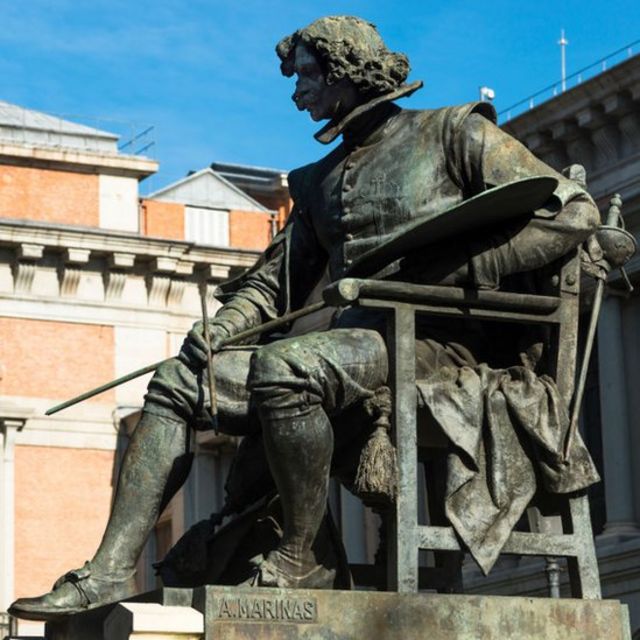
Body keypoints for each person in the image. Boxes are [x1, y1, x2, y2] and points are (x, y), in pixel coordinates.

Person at [10, 15, 600, 620]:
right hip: (358, 345)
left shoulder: (455, 133)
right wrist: (222, 328)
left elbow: (572, 214)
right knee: (179, 383)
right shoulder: (318, 180)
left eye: (307, 78)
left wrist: (460, 270)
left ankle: (299, 555)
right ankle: (108, 572)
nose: (298, 95)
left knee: (287, 366)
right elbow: (274, 283)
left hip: (441, 345)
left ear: (347, 71)